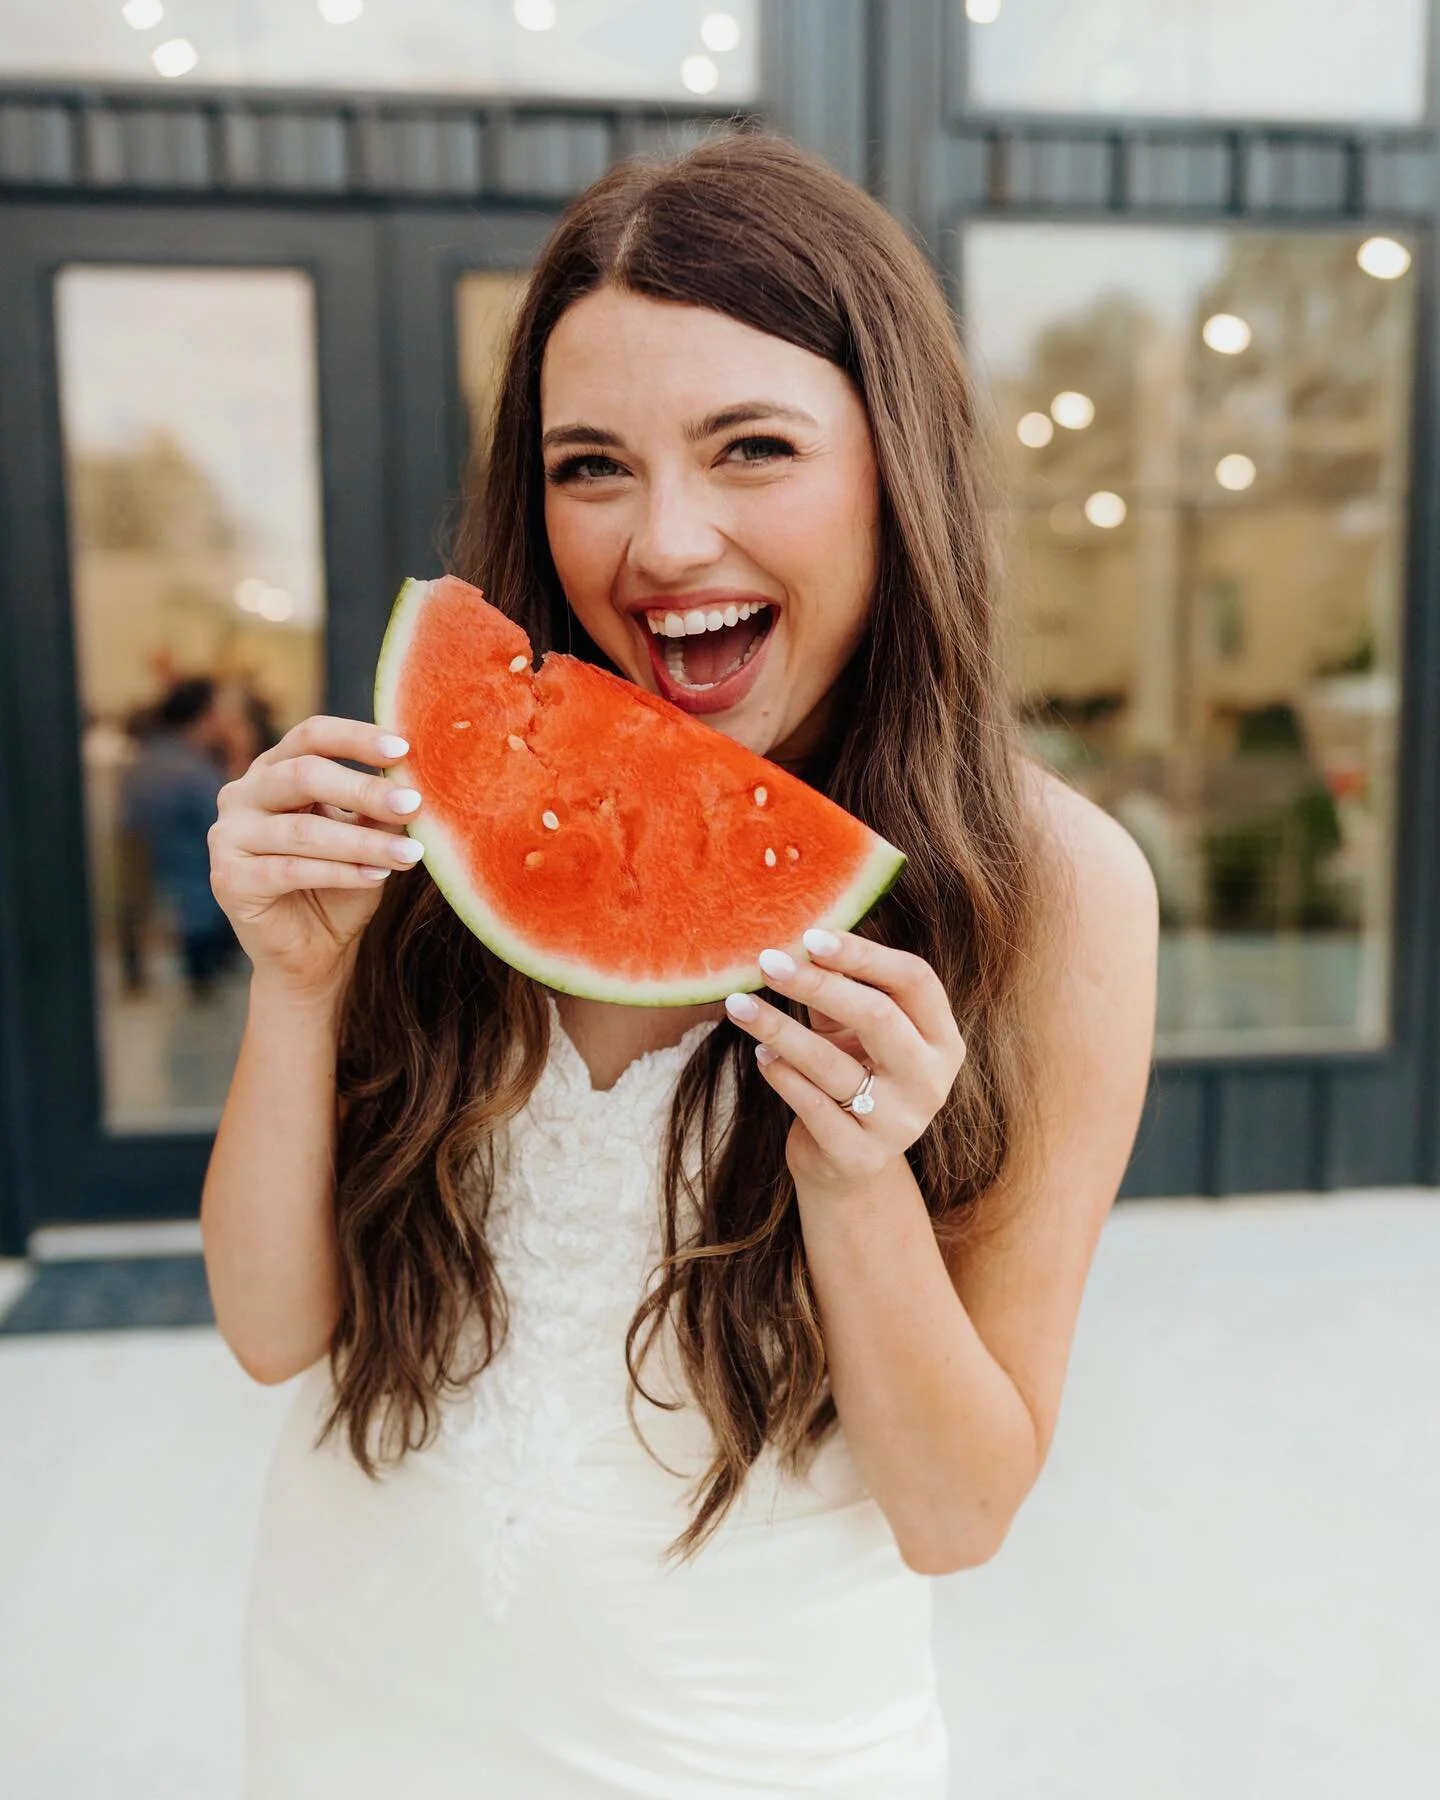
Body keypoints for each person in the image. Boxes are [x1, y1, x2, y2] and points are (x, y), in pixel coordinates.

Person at [203, 133, 1158, 1799]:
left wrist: (858, 1182)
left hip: (740, 1753)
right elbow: (276, 1328)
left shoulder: (1055, 888)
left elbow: (956, 1512)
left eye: (752, 448)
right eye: (591, 466)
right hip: (348, 1710)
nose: (661, 543)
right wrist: (294, 987)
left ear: (891, 464)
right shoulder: (448, 807)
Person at [119, 675, 238, 998]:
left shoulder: (144, 760)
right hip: (194, 917)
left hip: (153, 914)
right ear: (207, 715)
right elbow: (225, 830)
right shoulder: (192, 770)